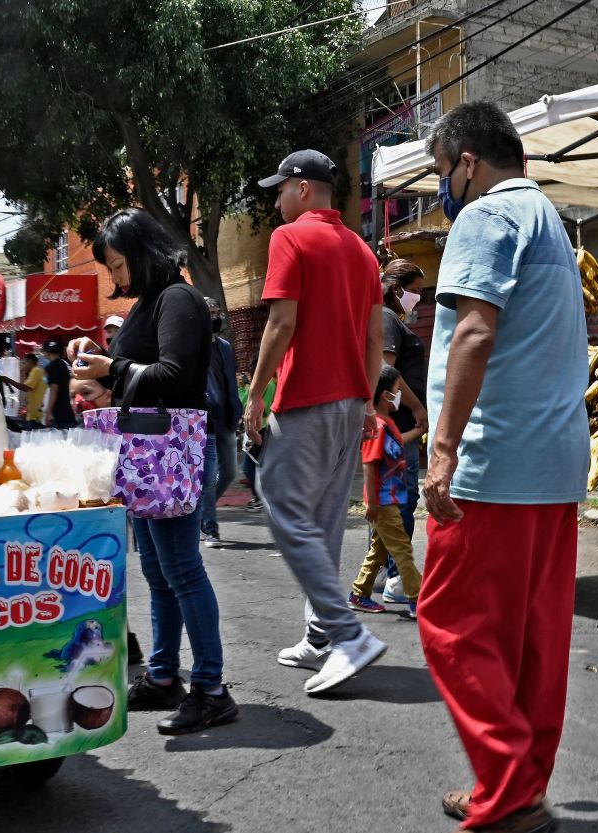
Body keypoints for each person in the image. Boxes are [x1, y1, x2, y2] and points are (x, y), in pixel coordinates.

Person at [419, 101, 589, 832]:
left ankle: (511, 787)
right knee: (531, 641)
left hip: (495, 461)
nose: (441, 190)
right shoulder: (549, 220)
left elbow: (475, 332)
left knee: (450, 624)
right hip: (552, 464)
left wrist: (445, 447)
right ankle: (513, 784)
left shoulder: (484, 218)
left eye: (440, 174)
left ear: (466, 160)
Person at [68, 207, 236, 734]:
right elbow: (135, 374)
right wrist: (97, 358)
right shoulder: (150, 303)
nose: (115, 278)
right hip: (143, 458)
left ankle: (211, 688)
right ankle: (164, 675)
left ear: (141, 253)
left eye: (118, 265)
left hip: (164, 456)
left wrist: (111, 367)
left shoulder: (178, 298)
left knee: (183, 569)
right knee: (159, 574)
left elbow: (174, 375)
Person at [244, 149, 386, 695]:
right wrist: (369, 403)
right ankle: (321, 637)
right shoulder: (362, 251)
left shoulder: (291, 238)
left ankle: (348, 634)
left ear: (302, 188)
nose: (276, 199)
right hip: (351, 404)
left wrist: (256, 395)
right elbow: (375, 339)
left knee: (279, 503)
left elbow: (281, 324)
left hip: (307, 399)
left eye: (279, 188)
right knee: (322, 520)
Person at [348, 365, 422, 618]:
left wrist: (420, 430)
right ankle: (417, 600)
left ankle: (359, 593)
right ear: (384, 396)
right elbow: (369, 465)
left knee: (379, 550)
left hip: (390, 499)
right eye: (396, 390)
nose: (399, 395)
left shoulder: (386, 423)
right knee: (402, 550)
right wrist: (371, 503)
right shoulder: (376, 427)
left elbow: (399, 440)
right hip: (383, 501)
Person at [377, 258, 431, 606]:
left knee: (391, 501)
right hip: (399, 425)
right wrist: (416, 407)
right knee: (402, 500)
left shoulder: (389, 319)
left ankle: (383, 572)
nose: (418, 300)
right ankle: (397, 578)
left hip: (398, 426)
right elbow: (385, 371)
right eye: (414, 292)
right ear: (397, 289)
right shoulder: (386, 318)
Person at [200, 297, 241, 549]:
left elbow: (230, 383)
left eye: (217, 312)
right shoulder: (192, 346)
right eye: (210, 312)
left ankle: (199, 514)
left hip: (226, 418)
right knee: (209, 478)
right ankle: (209, 528)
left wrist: (238, 410)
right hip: (204, 421)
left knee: (230, 473)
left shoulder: (224, 346)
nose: (215, 316)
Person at [238, 369, 275, 512]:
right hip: (266, 427)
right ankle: (261, 497)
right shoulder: (271, 383)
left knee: (250, 466)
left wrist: (242, 389)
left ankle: (260, 498)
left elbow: (246, 403)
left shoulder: (263, 385)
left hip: (260, 427)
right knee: (259, 465)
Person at [40, 339, 76, 429]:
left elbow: (54, 389)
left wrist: (48, 412)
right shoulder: (65, 364)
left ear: (46, 353)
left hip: (60, 414)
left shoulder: (51, 366)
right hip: (69, 411)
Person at [19, 352, 47, 429]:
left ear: (30, 362)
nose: (22, 365)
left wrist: (8, 380)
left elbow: (25, 388)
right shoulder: (36, 371)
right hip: (34, 415)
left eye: (24, 363)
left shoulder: (36, 371)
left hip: (35, 417)